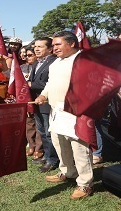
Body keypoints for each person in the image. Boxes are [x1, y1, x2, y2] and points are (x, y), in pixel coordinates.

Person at [36, 31, 93, 200]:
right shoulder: (55, 62)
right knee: (59, 143)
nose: (54, 48)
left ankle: (85, 184)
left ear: (72, 44)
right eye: (53, 45)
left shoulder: (84, 60)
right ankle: (67, 171)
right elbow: (50, 82)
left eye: (58, 44)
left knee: (79, 148)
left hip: (76, 112)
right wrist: (43, 95)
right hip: (56, 110)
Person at [29, 37, 59, 173]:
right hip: (36, 102)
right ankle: (46, 156)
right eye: (35, 46)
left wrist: (31, 84)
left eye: (40, 47)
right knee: (41, 132)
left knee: (49, 133)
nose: (36, 49)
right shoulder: (36, 63)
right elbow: (32, 80)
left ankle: (53, 160)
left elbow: (50, 83)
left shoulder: (54, 62)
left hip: (47, 102)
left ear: (50, 49)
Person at [21, 47, 42, 159]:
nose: (26, 57)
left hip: (38, 97)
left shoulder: (41, 67)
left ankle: (39, 148)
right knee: (29, 123)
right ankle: (31, 146)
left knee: (39, 124)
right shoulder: (22, 67)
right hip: (26, 98)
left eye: (30, 55)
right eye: (25, 54)